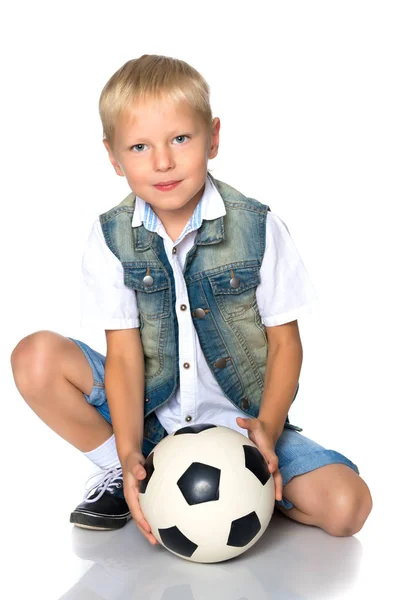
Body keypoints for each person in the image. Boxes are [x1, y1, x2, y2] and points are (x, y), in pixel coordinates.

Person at [10, 54, 372, 546]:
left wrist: (266, 428)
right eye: (139, 146)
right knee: (35, 357)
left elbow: (287, 345)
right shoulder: (111, 237)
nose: (163, 161)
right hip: (153, 422)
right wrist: (129, 448)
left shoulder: (257, 227)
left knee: (348, 509)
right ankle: (129, 476)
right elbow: (123, 355)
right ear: (113, 157)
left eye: (180, 139)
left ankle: (250, 491)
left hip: (247, 428)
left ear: (213, 137)